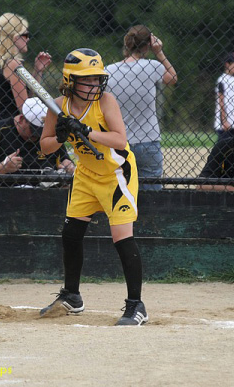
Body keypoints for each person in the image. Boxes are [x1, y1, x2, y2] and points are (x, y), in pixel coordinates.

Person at [39, 48, 147, 326]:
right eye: (87, 80)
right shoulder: (57, 106)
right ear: (70, 82)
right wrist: (62, 136)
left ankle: (136, 306)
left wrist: (86, 131)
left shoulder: (105, 102)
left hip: (116, 173)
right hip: (86, 174)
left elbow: (120, 141)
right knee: (71, 233)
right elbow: (44, 146)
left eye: (98, 79)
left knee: (121, 237)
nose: (95, 85)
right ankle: (72, 296)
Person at [105, 25, 177, 191]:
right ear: (148, 46)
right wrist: (159, 52)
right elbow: (172, 77)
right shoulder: (151, 66)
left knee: (120, 189)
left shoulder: (108, 71)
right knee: (151, 190)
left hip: (119, 141)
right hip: (147, 140)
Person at [0, 97, 75, 187]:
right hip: (6, 195)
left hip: (46, 193)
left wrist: (68, 165)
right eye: (34, 131)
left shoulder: (50, 134)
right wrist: (3, 168)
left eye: (42, 132)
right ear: (21, 119)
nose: (38, 137)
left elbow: (65, 161)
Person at [0, 13, 52, 123]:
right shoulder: (13, 65)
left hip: (1, 126)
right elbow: (26, 109)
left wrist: (38, 70)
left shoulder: (4, 64)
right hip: (9, 129)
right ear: (16, 37)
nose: (28, 39)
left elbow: (27, 100)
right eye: (25, 34)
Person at [215, 52, 234, 141]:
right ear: (227, 64)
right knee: (223, 148)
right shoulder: (222, 80)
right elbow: (221, 101)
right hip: (226, 124)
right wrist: (224, 121)